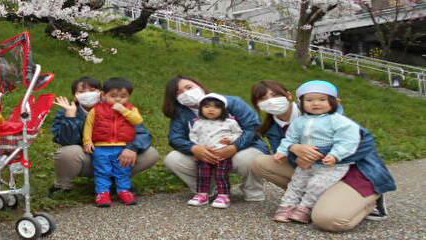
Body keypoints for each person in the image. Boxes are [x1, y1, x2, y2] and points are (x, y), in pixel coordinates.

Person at [250, 80, 397, 231]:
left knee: (328, 220)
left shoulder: (328, 115)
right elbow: (286, 152)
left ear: (289, 96)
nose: (270, 101)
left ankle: (369, 202)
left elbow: (364, 143)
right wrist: (294, 148)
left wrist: (319, 154)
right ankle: (312, 202)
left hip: (351, 168)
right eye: (263, 99)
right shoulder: (274, 127)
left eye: (274, 95)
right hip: (312, 169)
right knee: (260, 162)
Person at [163, 76, 268, 201]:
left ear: (199, 86)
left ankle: (253, 191)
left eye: (189, 87)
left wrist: (235, 146)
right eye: (178, 92)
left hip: (240, 149)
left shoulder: (232, 102)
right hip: (205, 155)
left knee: (248, 159)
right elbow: (175, 138)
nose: (186, 93)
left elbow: (253, 127)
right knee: (173, 159)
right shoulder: (181, 113)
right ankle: (206, 190)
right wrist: (194, 148)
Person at [50, 76, 159, 196]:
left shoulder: (122, 108)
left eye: (92, 90)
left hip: (118, 156)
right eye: (81, 92)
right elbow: (67, 141)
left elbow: (143, 133)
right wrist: (71, 118)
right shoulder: (67, 112)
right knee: (68, 152)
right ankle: (62, 186)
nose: (87, 94)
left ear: (101, 93)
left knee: (151, 153)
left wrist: (132, 148)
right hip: (88, 158)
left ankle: (118, 182)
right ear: (75, 95)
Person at [272, 81, 360, 223]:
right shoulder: (299, 122)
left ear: (334, 102)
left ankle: (305, 208)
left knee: (316, 184)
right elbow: (290, 138)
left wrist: (336, 155)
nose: (316, 103)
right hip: (306, 163)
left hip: (331, 165)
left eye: (322, 99)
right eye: (309, 100)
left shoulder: (339, 121)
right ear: (301, 103)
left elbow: (348, 140)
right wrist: (283, 151)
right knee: (296, 183)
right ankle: (287, 206)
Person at [83, 77, 143, 207]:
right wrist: (87, 141)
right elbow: (89, 125)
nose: (118, 99)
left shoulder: (131, 109)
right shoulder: (96, 110)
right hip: (101, 147)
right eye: (113, 96)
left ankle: (124, 191)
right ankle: (103, 193)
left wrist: (124, 111)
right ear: (104, 95)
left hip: (123, 147)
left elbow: (137, 121)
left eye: (123, 96)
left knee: (123, 170)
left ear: (129, 97)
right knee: (102, 171)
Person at [187, 94, 242, 208]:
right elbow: (193, 136)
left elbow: (238, 133)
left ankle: (223, 195)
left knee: (221, 175)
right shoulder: (198, 123)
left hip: (222, 154)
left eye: (216, 107)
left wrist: (231, 139)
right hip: (205, 154)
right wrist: (197, 147)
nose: (211, 109)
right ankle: (202, 195)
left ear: (223, 110)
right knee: (203, 174)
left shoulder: (229, 122)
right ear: (201, 108)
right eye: (207, 106)